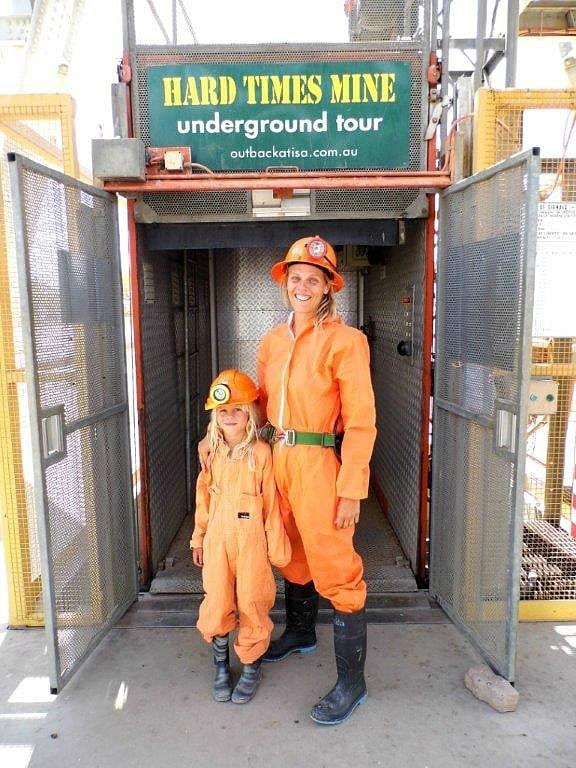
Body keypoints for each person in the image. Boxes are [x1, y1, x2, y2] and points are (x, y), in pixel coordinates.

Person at [199, 235, 376, 725]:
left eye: (313, 280)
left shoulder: (346, 342)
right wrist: (227, 440)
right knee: (289, 551)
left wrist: (351, 489)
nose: (302, 286)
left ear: (327, 289)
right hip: (273, 456)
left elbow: (361, 422)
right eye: (295, 278)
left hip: (319, 462)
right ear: (286, 285)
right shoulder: (272, 341)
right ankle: (301, 633)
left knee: (337, 567)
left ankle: (352, 683)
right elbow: (253, 406)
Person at [190, 369, 291, 705]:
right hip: (218, 540)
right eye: (223, 411)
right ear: (214, 417)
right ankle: (221, 666)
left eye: (238, 409)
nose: (230, 416)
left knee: (252, 599)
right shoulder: (211, 455)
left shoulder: (261, 454)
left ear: (250, 413)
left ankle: (250, 664)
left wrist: (276, 546)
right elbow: (203, 500)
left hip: (251, 543)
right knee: (217, 598)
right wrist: (198, 537)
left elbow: (272, 505)